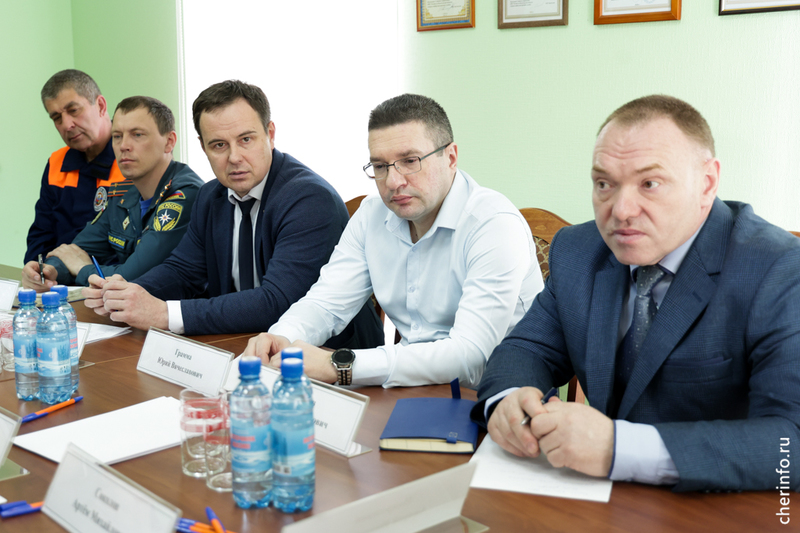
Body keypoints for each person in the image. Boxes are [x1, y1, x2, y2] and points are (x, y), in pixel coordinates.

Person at [472, 95, 800, 492]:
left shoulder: (778, 268)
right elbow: (527, 349)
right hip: (592, 499)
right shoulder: (577, 251)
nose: (621, 210)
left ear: (707, 183)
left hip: (714, 505)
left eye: (650, 184)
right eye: (604, 184)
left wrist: (619, 448)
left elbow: (790, 440)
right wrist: (508, 401)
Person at [244, 94, 544, 388]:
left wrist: (339, 365)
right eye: (380, 166)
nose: (393, 181)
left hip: (496, 398)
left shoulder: (493, 224)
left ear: (451, 157)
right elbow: (326, 304)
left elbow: (469, 355)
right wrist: (281, 336)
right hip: (406, 388)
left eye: (410, 161)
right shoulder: (372, 215)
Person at [83, 80, 383, 347]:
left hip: (330, 357)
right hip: (238, 341)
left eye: (246, 140)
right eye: (219, 145)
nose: (234, 157)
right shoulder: (210, 196)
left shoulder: (309, 199)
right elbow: (183, 270)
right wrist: (127, 292)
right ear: (203, 147)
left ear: (270, 134)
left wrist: (164, 313)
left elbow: (277, 302)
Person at [21, 96, 203, 291]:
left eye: (137, 134)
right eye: (117, 136)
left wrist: (82, 268)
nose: (123, 145)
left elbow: (130, 278)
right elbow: (75, 250)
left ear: (169, 142)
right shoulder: (123, 194)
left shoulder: (185, 195)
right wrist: (50, 271)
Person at [25, 69, 126, 264]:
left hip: (112, 278)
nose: (66, 125)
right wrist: (37, 268)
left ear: (101, 106)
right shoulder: (56, 163)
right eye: (57, 118)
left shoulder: (131, 158)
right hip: (58, 277)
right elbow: (41, 235)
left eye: (73, 110)